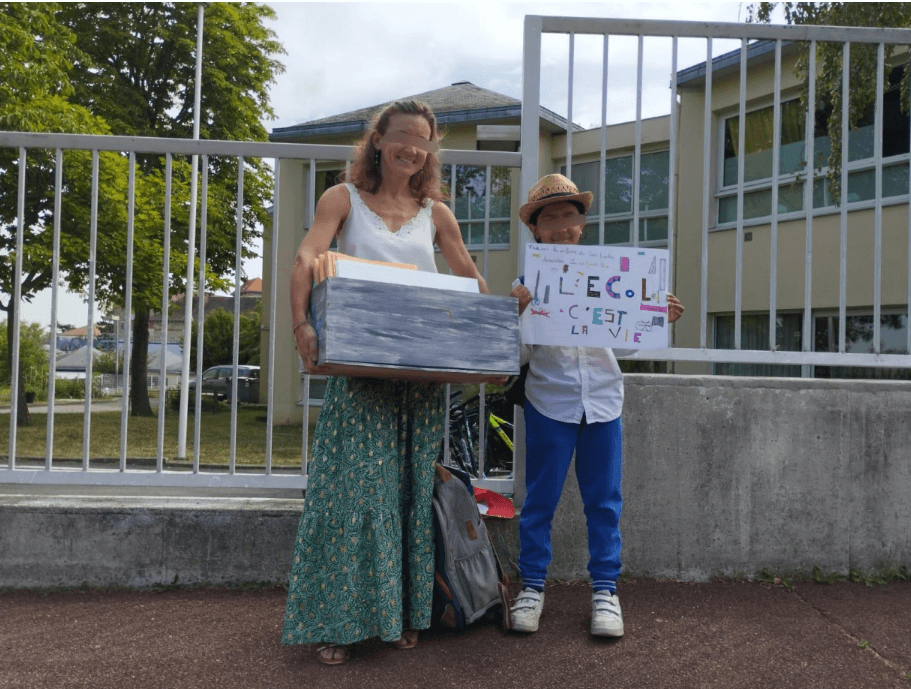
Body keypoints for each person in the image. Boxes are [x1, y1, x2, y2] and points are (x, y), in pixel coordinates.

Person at [283, 100, 489, 665]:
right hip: (359, 373)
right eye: (402, 136)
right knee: (352, 495)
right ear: (377, 140)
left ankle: (403, 615)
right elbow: (306, 257)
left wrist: (500, 314)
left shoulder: (436, 212)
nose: (413, 149)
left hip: (420, 379)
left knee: (409, 497)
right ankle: (339, 621)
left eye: (423, 141)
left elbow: (470, 280)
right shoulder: (341, 198)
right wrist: (301, 323)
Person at [508, 174, 685, 637]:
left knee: (604, 501)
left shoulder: (615, 276)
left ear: (583, 224)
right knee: (539, 502)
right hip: (549, 400)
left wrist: (654, 317)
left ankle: (605, 591)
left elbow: (625, 348)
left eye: (571, 216)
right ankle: (531, 588)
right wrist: (518, 315)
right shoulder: (525, 285)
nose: (563, 226)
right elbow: (518, 357)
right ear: (537, 231)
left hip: (604, 401)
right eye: (551, 218)